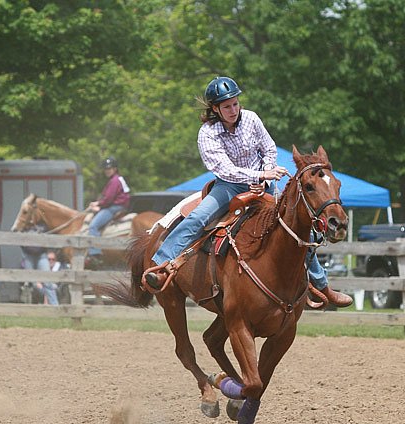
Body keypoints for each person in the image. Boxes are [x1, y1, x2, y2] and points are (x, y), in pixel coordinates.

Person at [143, 75, 352, 307]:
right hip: (228, 186)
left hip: (263, 184)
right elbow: (224, 169)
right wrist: (258, 175)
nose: (233, 109)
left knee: (300, 228)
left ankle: (322, 286)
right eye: (226, 106)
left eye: (235, 103)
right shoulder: (208, 133)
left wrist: (266, 171)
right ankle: (161, 264)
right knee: (198, 217)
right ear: (215, 109)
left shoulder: (251, 118)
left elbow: (269, 148)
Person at [86, 156, 131, 269]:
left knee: (93, 226)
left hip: (114, 207)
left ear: (115, 168)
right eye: (106, 168)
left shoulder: (114, 181)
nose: (107, 170)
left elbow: (108, 199)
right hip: (118, 205)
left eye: (109, 168)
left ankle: (95, 254)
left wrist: (98, 205)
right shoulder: (117, 179)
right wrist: (99, 203)